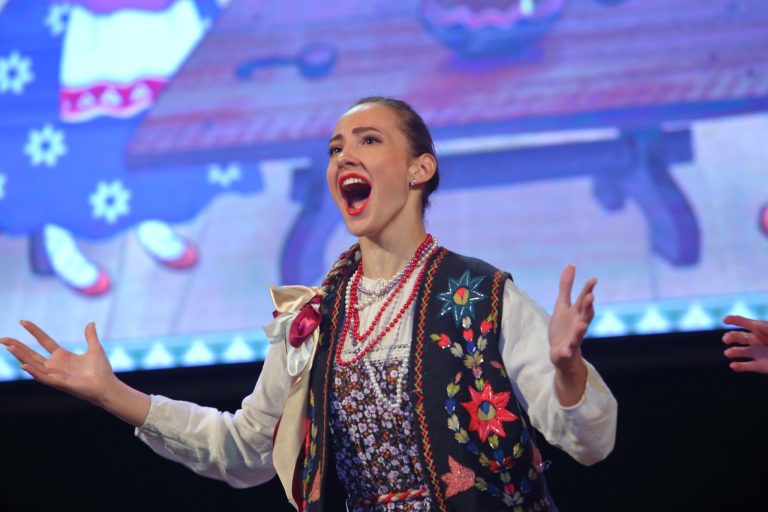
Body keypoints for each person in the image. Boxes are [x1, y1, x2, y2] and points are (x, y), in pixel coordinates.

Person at [1, 97, 617, 511]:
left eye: (369, 140)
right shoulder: (311, 319)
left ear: (419, 169)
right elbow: (245, 450)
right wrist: (111, 393)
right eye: (334, 148)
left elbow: (590, 442)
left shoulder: (481, 296)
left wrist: (567, 369)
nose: (344, 156)